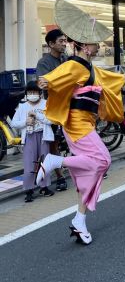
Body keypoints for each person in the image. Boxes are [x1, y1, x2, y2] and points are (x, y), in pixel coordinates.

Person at [37, 0, 125, 245]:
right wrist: (47, 81)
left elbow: (105, 78)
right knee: (103, 160)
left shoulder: (89, 67)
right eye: (95, 44)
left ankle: (80, 220)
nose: (98, 47)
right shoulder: (76, 65)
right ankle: (55, 161)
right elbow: (55, 77)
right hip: (77, 124)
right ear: (85, 46)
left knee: (88, 172)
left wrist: (121, 78)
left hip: (85, 123)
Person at [11, 81, 55, 202]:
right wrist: (26, 122)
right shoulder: (22, 106)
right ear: (26, 94)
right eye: (30, 92)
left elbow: (51, 120)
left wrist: (37, 116)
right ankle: (29, 189)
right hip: (29, 137)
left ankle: (44, 187)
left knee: (44, 162)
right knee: (29, 164)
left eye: (35, 92)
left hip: (43, 136)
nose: (32, 94)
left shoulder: (46, 104)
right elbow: (14, 123)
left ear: (40, 93)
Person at [36, 29, 68, 192]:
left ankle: (83, 168)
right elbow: (43, 84)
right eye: (61, 41)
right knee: (53, 142)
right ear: (51, 44)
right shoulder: (44, 63)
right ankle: (60, 176)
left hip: (69, 104)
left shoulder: (66, 59)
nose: (64, 43)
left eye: (65, 41)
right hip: (53, 107)